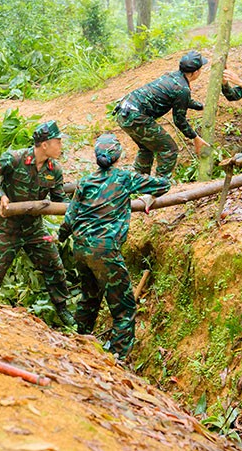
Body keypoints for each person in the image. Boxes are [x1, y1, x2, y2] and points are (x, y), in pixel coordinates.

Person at [59, 134, 169, 359]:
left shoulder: (85, 181)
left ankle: (78, 343)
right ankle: (116, 358)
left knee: (89, 298)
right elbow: (164, 184)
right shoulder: (124, 178)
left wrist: (58, 238)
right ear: (118, 156)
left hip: (80, 248)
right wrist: (149, 195)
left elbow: (68, 221)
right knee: (124, 308)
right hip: (105, 249)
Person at [0, 120, 75, 327]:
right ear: (44, 145)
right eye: (57, 142)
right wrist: (1, 196)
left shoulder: (54, 169)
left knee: (54, 266)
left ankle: (62, 310)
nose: (61, 146)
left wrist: (77, 207)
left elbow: (60, 200)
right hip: (7, 227)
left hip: (34, 229)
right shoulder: (15, 159)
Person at [114, 51, 210, 180]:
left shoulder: (172, 77)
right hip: (136, 116)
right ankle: (159, 187)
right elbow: (179, 120)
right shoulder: (182, 88)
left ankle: (139, 184)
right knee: (169, 149)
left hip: (123, 111)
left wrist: (201, 106)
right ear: (196, 72)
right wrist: (195, 138)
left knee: (146, 148)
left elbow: (180, 99)